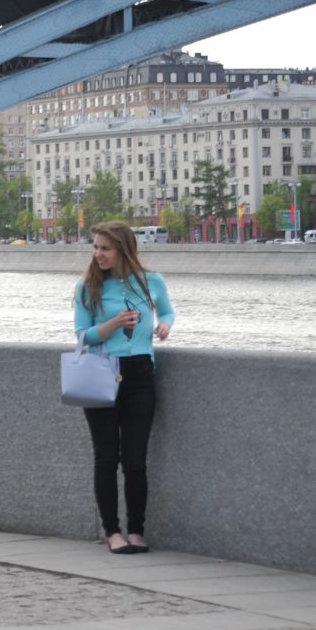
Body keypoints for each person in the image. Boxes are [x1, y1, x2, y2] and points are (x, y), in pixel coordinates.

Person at [72, 221, 176, 554]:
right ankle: (112, 532)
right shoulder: (88, 287)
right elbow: (82, 337)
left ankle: (136, 530)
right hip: (103, 371)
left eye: (105, 248)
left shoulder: (151, 282)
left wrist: (164, 325)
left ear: (123, 250)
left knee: (135, 460)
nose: (98, 254)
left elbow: (169, 311)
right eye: (95, 247)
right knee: (106, 457)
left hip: (140, 373)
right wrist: (113, 324)